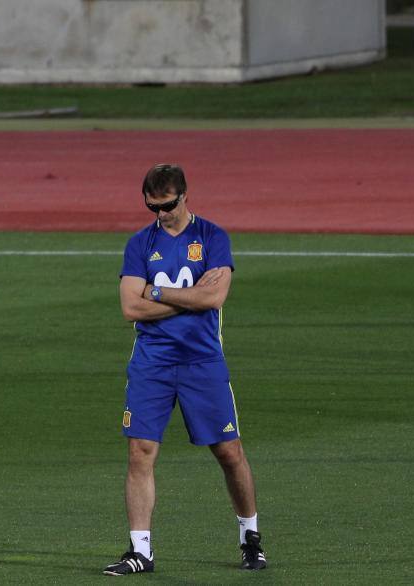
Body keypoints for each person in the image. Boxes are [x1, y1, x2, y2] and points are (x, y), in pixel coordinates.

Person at [103, 164, 267, 575]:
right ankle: (141, 550)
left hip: (202, 362)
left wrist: (156, 291)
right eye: (153, 207)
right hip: (152, 362)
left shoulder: (213, 237)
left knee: (229, 452)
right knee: (140, 452)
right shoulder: (139, 244)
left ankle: (251, 537)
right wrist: (190, 295)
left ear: (185, 195)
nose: (161, 214)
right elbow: (129, 307)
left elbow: (215, 299)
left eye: (168, 205)